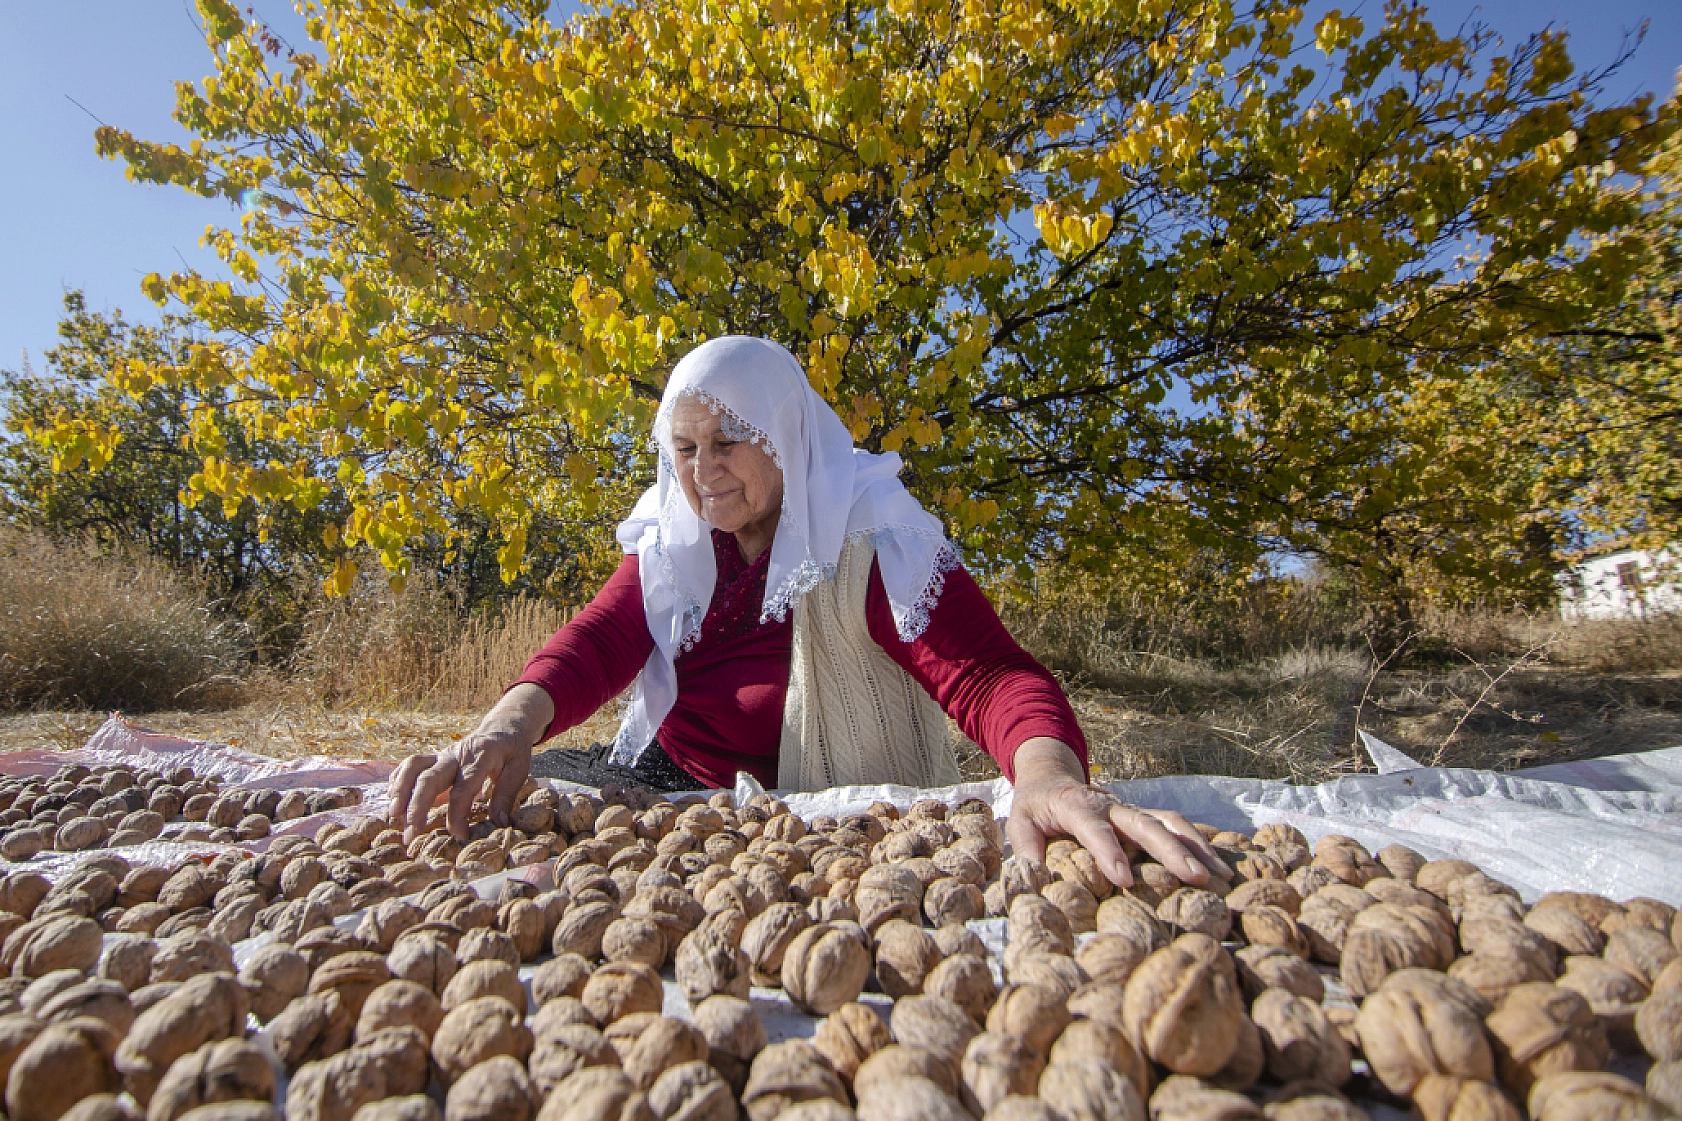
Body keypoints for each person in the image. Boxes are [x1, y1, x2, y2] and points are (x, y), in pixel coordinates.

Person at [391, 336, 1227, 889]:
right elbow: (599, 640)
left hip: (826, 812)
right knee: (503, 803)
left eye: (727, 441)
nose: (703, 471)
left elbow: (987, 674)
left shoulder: (863, 530)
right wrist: (506, 723)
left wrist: (1046, 776)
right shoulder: (679, 536)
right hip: (676, 790)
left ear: (786, 435)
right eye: (684, 448)